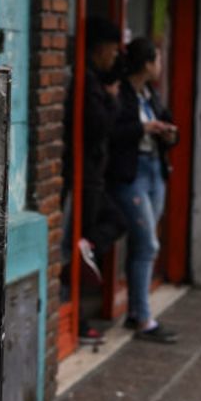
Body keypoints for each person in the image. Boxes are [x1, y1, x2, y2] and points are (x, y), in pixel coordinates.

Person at [108, 37, 179, 343]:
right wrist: (144, 129)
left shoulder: (150, 94)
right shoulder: (121, 92)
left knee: (142, 244)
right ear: (147, 63)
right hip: (130, 173)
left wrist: (167, 134)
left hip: (154, 170)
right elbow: (111, 132)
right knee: (148, 243)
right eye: (158, 60)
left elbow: (169, 126)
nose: (160, 66)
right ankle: (144, 319)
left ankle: (136, 312)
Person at [75, 17, 127, 284]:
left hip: (91, 173)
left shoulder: (93, 80)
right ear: (100, 48)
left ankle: (87, 244)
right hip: (86, 175)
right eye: (113, 50)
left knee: (114, 220)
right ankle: (78, 321)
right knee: (108, 222)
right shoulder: (89, 82)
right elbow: (99, 126)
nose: (115, 56)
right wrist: (111, 99)